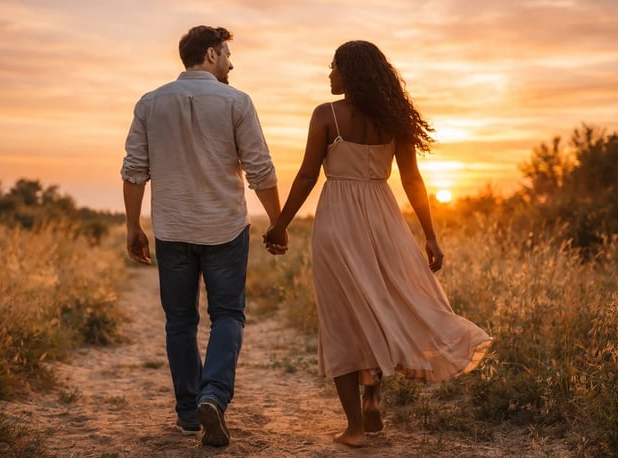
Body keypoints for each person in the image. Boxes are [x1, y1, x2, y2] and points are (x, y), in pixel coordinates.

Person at [264, 40, 492, 447]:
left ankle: (354, 427)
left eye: (333, 68)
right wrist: (430, 235)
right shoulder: (393, 120)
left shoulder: (325, 115)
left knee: (342, 319)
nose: (329, 75)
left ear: (349, 74)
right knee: (381, 305)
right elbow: (412, 182)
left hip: (338, 223)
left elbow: (305, 177)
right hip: (385, 221)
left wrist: (280, 225)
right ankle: (372, 392)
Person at [121, 25, 282, 447]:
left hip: (172, 229)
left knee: (180, 321)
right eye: (227, 54)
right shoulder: (237, 102)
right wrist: (278, 221)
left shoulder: (150, 103)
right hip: (225, 229)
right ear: (211, 54)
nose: (231, 62)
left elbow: (134, 170)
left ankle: (189, 414)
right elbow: (260, 169)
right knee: (227, 315)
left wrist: (133, 225)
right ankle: (213, 395)